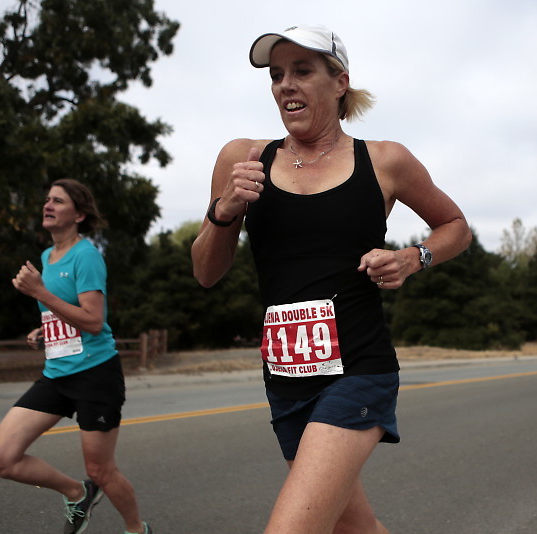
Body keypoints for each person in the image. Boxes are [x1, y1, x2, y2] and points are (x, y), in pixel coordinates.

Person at [192, 25, 471, 534]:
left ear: (340, 82)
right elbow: (206, 272)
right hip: (286, 378)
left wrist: (414, 258)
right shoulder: (244, 158)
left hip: (359, 369)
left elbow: (455, 225)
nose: (285, 85)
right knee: (354, 527)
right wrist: (224, 211)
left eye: (302, 71)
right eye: (277, 75)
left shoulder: (384, 160)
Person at [0, 179, 151, 534]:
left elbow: (93, 321)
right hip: (57, 373)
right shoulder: (47, 257)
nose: (48, 205)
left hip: (95, 375)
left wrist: (40, 292)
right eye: (47, 199)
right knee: (0, 458)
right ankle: (77, 493)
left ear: (79, 215)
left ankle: (137, 529)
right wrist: (45, 330)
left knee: (101, 470)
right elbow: (65, 311)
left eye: (58, 201)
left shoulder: (86, 256)